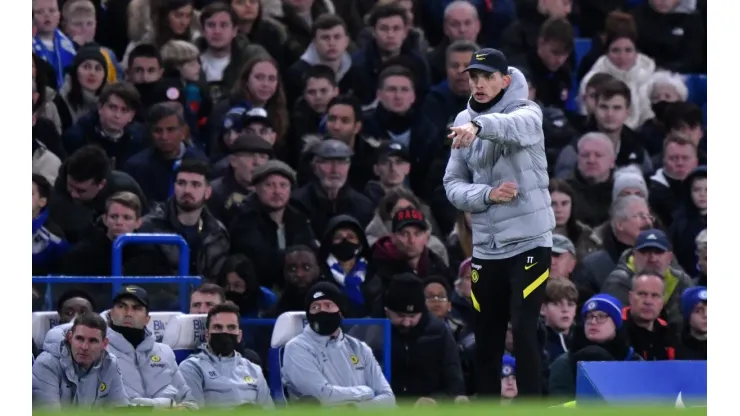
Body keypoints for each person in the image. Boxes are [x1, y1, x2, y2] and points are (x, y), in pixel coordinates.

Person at [443, 48, 555, 398]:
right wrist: (488, 195)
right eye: (473, 77)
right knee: (486, 337)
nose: (478, 83)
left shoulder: (527, 111)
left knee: (523, 330)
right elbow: (452, 184)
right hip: (487, 249)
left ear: (505, 80)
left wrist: (478, 126)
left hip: (529, 242)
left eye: (487, 76)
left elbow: (513, 128)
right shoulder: (463, 121)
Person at [281, 282, 395, 406]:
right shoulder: (297, 348)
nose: (322, 310)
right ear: (308, 315)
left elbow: (388, 397)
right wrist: (366, 391)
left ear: (341, 311)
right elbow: (322, 396)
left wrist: (356, 409)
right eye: (315, 307)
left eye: (328, 305)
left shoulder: (359, 348)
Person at [178, 303, 273, 408]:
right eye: (218, 327)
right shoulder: (192, 367)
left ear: (239, 336)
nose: (224, 332)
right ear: (207, 334)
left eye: (231, 327)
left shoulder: (254, 370)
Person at [32, 312, 129, 408]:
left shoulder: (110, 364)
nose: (84, 347)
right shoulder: (47, 364)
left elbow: (120, 408)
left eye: (93, 341)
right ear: (70, 338)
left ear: (104, 344)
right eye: (79, 339)